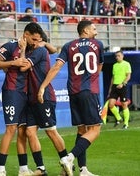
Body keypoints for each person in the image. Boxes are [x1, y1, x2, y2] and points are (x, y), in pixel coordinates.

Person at [38, 20, 104, 176]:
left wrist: (43, 86)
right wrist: (92, 78)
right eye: (94, 28)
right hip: (89, 91)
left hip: (74, 91)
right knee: (95, 129)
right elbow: (99, 67)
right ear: (86, 31)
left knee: (81, 129)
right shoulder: (98, 44)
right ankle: (69, 157)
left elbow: (56, 67)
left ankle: (83, 170)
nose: (97, 31)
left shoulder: (68, 46)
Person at [18, 22, 68, 175]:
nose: (36, 42)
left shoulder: (39, 51)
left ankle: (67, 163)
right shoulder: (34, 50)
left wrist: (23, 49)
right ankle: (41, 168)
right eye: (34, 39)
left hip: (44, 97)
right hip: (32, 98)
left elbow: (23, 67)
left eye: (38, 40)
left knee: (51, 131)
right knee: (30, 132)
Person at [0, 25, 33, 176]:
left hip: (26, 93)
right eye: (33, 37)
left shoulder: (32, 49)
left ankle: (23, 168)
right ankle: (0, 169)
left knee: (23, 131)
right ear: (26, 34)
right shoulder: (10, 46)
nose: (35, 41)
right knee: (11, 129)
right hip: (12, 92)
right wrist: (11, 63)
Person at [107, 50, 131, 129]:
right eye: (116, 56)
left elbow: (128, 76)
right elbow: (113, 77)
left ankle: (126, 124)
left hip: (122, 86)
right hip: (114, 86)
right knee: (111, 104)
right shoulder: (114, 65)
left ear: (122, 56)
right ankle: (119, 118)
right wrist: (110, 89)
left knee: (124, 105)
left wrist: (123, 83)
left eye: (119, 56)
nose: (117, 57)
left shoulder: (126, 64)